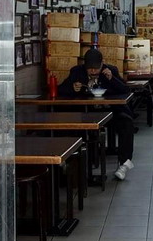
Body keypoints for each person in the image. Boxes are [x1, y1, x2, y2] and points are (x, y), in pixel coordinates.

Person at [58, 48, 136, 180]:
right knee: (68, 125)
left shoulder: (110, 70)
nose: (93, 71)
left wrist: (112, 79)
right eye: (90, 69)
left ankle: (124, 164)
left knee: (126, 122)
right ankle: (69, 163)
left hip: (110, 112)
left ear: (102, 64)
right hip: (85, 114)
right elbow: (61, 89)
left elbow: (125, 90)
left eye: (96, 68)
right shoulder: (76, 72)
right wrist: (72, 88)